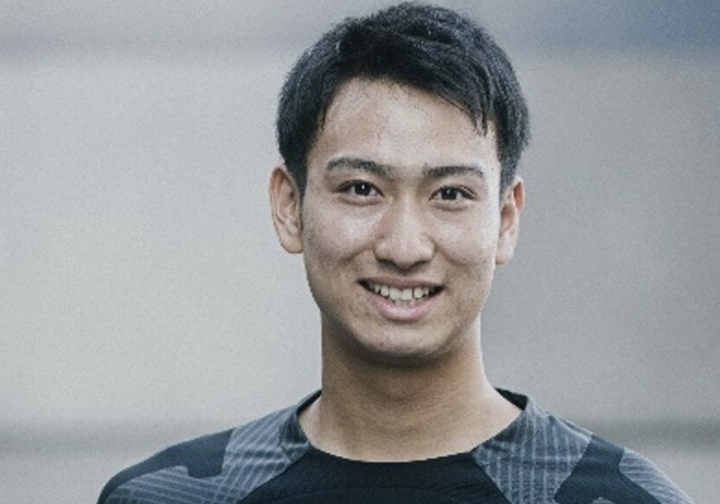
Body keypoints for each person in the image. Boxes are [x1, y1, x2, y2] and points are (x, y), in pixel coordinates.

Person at [97, 3, 694, 503]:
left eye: (450, 194)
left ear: (506, 220)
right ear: (289, 206)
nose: (404, 247)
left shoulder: (626, 498)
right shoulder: (168, 496)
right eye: (362, 189)